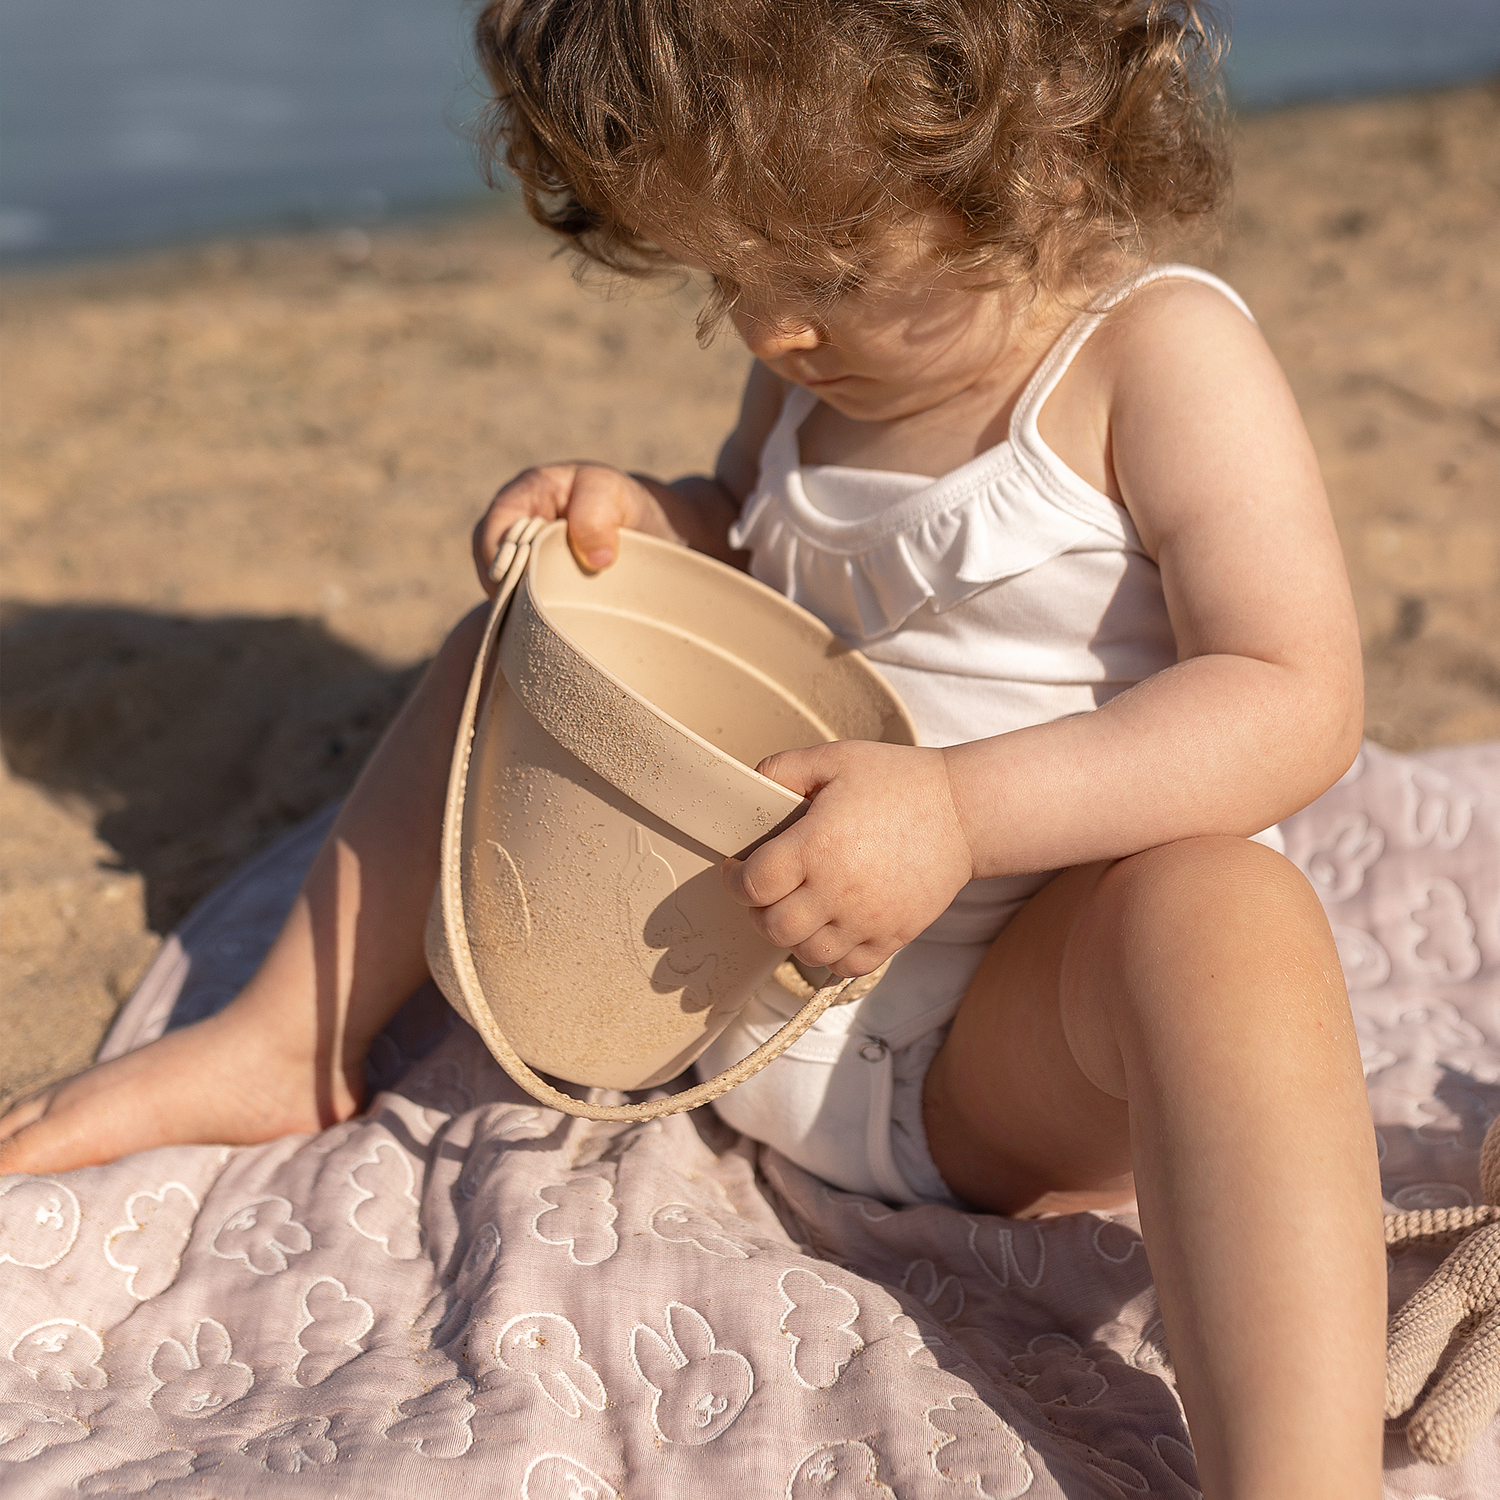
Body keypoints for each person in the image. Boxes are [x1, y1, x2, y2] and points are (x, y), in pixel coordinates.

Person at [1, 2, 1384, 1494]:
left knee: (1223, 920)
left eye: (827, 277)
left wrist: (961, 812)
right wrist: (654, 526)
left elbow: (1292, 695)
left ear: (1039, 155)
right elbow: (754, 554)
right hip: (724, 989)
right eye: (733, 275)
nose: (773, 329)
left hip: (1004, 1057)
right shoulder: (810, 368)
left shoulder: (1156, 360)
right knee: (524, 639)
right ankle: (289, 1037)